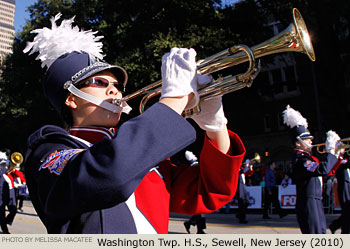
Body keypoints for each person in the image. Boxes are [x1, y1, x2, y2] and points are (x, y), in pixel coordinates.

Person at [22, 14, 246, 234]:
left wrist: (215, 126)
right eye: (99, 82)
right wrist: (174, 101)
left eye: (117, 85)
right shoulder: (50, 150)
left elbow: (210, 191)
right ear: (71, 98)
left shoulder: (141, 155)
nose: (115, 91)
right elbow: (109, 172)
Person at [282, 105, 342, 233]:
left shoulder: (307, 158)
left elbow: (327, 171)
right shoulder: (301, 160)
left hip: (315, 201)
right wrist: (330, 151)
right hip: (309, 203)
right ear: (299, 143)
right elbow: (323, 169)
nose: (311, 142)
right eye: (307, 140)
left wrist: (337, 155)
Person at [183, 151, 207, 234]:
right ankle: (199, 229)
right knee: (200, 212)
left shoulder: (196, 166)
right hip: (196, 192)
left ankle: (191, 224)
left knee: (201, 212)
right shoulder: (194, 166)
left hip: (199, 191)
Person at [328, 152, 350, 234]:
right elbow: (342, 166)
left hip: (348, 186)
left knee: (347, 212)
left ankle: (335, 225)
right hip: (344, 187)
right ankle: (344, 232)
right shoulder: (338, 159)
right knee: (347, 211)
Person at [0, 152, 17, 234]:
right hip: (1, 197)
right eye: (2, 164)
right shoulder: (2, 172)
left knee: (14, 210)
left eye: (4, 164)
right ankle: (5, 231)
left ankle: (5, 221)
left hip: (10, 194)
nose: (4, 166)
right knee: (1, 215)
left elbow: (17, 175)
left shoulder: (9, 172)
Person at [234, 159, 254, 224]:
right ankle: (242, 218)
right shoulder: (237, 168)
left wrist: (250, 167)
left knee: (246, 201)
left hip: (243, 185)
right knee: (241, 202)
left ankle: (239, 214)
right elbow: (242, 171)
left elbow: (249, 174)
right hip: (239, 185)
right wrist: (247, 166)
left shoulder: (242, 168)